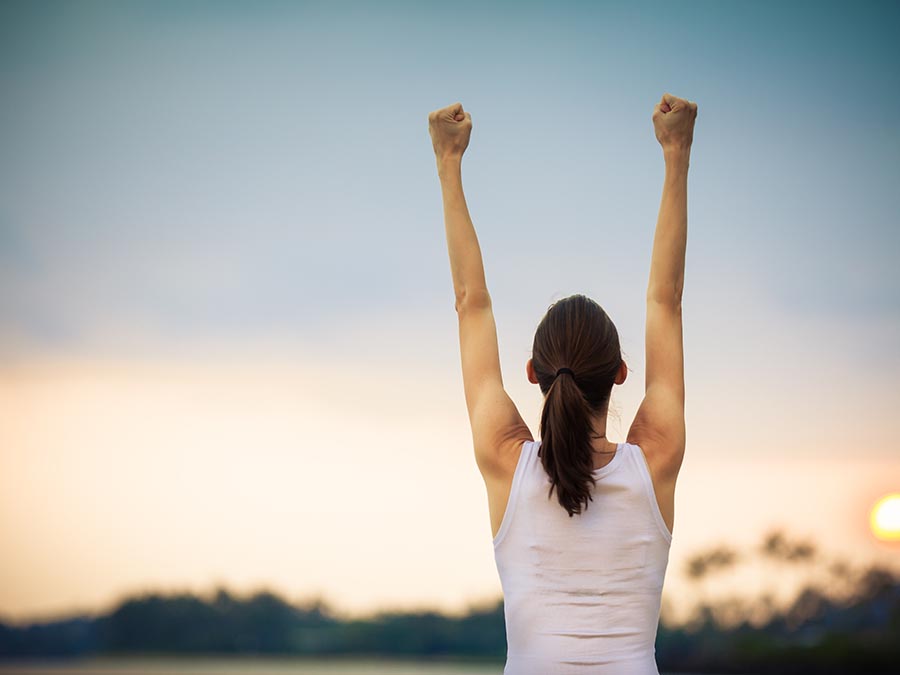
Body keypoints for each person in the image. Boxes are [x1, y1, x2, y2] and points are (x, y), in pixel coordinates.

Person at [428, 92, 697, 674]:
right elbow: (665, 303)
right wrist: (676, 153)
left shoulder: (508, 465)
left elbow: (470, 304)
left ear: (533, 374)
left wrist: (448, 163)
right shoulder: (655, 463)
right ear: (622, 375)